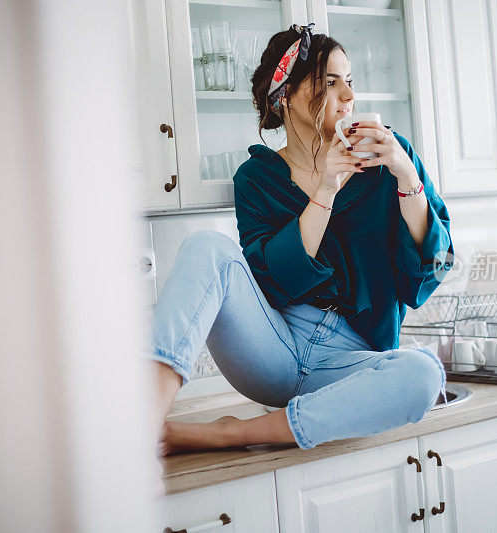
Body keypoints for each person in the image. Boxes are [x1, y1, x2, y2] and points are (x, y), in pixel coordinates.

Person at [149, 23, 454, 458]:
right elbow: (273, 285)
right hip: (270, 347)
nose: (348, 96)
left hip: (349, 363)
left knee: (422, 374)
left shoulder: (390, 157)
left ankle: (230, 433)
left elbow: (433, 266)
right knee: (205, 247)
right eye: (330, 82)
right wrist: (326, 189)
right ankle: (143, 423)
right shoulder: (257, 179)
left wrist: (407, 176)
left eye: (350, 81)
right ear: (285, 95)